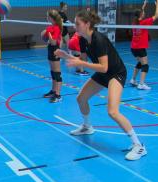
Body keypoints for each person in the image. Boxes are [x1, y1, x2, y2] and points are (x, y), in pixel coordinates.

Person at [55, 10, 147, 161]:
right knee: (81, 98)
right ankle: (87, 127)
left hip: (115, 73)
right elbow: (82, 59)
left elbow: (103, 67)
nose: (74, 26)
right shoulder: (83, 39)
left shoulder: (99, 39)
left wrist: (81, 63)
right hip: (104, 73)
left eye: (77, 23)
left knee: (112, 111)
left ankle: (139, 146)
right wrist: (66, 56)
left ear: (87, 24)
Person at [129, 0, 158, 90]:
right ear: (141, 15)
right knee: (145, 65)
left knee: (140, 63)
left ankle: (133, 80)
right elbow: (156, 16)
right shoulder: (144, 23)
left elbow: (139, 13)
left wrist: (144, 5)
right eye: (143, 12)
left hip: (133, 48)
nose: (144, 13)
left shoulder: (134, 22)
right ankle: (141, 84)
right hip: (140, 48)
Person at [41, 9, 63, 103]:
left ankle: (58, 95)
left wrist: (48, 33)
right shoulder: (51, 27)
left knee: (57, 73)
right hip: (50, 49)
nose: (46, 17)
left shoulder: (57, 28)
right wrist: (44, 34)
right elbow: (46, 40)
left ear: (51, 18)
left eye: (47, 16)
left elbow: (54, 42)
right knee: (53, 72)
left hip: (55, 50)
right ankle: (53, 91)